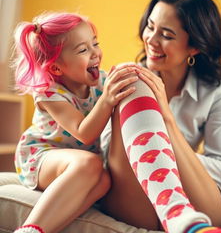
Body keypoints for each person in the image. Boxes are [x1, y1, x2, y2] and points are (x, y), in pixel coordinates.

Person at [100, 0, 221, 233]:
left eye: (166, 35)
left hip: (198, 204)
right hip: (135, 194)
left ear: (194, 46)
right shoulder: (130, 82)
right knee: (133, 77)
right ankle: (177, 214)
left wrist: (167, 123)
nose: (151, 40)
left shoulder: (217, 91)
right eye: (150, 27)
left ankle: (181, 215)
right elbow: (106, 153)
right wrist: (154, 147)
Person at [12, 12, 139, 233]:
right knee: (89, 164)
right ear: (56, 68)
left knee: (104, 181)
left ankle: (44, 229)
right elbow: (84, 133)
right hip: (42, 156)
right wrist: (108, 99)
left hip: (84, 163)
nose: (95, 54)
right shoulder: (49, 94)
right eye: (83, 50)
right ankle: (28, 230)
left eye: (95, 43)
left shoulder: (101, 81)